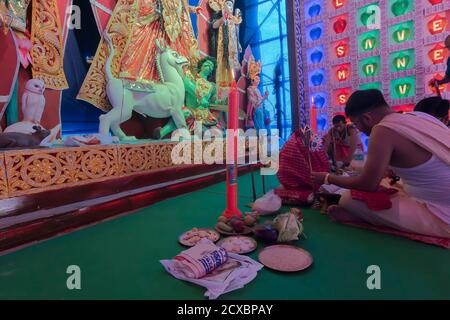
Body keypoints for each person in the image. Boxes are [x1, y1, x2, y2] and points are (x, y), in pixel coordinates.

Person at [311, 89, 450, 238]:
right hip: (432, 195)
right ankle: (370, 216)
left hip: (442, 214)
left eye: (357, 124)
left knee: (349, 199)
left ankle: (366, 218)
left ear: (366, 118)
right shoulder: (418, 117)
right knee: (384, 183)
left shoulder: (382, 130)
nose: (360, 130)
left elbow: (368, 184)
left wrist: (326, 178)